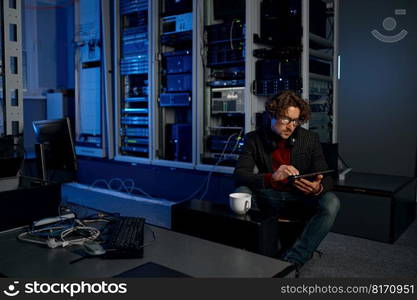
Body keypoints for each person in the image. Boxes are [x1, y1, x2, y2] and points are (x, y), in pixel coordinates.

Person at [233, 90, 340, 274]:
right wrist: (271, 177)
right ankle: (248, 248)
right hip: (268, 197)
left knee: (331, 202)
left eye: (296, 121)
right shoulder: (253, 139)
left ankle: (293, 261)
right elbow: (240, 174)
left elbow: (327, 176)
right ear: (271, 116)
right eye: (285, 120)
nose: (291, 126)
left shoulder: (309, 139)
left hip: (299, 198)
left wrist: (317, 187)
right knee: (242, 190)